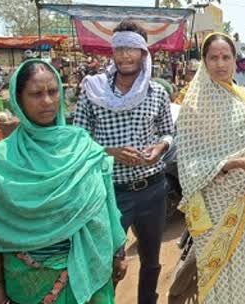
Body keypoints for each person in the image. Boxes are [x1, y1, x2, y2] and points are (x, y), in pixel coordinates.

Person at [0, 60, 127, 304]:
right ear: (18, 99)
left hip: (90, 275)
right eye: (36, 94)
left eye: (53, 91)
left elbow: (107, 206)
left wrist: (119, 252)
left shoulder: (83, 147)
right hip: (29, 285)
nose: (47, 101)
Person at [72, 20, 176, 304]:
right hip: (111, 192)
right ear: (112, 52)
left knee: (151, 259)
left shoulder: (157, 93)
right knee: (109, 261)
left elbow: (169, 130)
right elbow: (79, 140)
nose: (125, 55)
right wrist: (111, 152)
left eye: (132, 49)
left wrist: (161, 146)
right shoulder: (92, 90)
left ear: (144, 53)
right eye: (119, 48)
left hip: (153, 189)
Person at [172, 32, 245, 303]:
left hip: (242, 195)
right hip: (211, 197)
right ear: (203, 61)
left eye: (226, 57)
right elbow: (189, 159)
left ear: (235, 59)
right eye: (213, 57)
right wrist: (233, 163)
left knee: (244, 258)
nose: (220, 63)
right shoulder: (193, 102)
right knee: (214, 266)